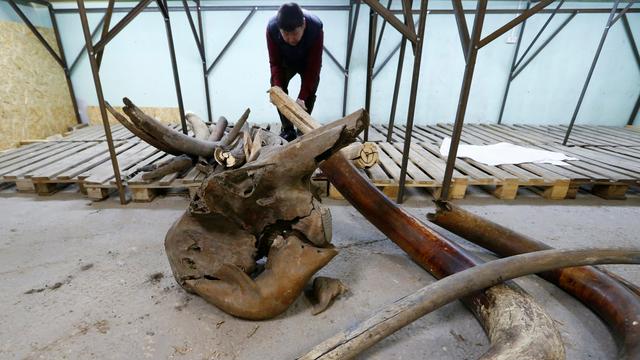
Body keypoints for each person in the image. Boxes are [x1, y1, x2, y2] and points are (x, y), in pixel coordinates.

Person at [267, 2, 323, 141]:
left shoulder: (316, 28)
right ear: (279, 30)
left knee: (311, 87)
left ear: (303, 25)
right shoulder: (271, 28)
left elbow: (314, 67)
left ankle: (302, 129)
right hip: (286, 61)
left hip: (308, 62)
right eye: (286, 34)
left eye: (295, 33)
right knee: (275, 85)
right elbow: (275, 63)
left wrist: (302, 97)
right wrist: (278, 89)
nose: (291, 39)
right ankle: (288, 129)